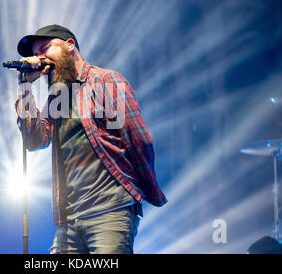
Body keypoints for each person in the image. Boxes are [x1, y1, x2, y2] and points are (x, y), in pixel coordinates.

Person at [14, 24, 167, 254]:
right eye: (36, 54)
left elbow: (138, 140)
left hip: (110, 211)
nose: (40, 58)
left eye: (45, 48)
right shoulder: (58, 98)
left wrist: (142, 190)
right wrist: (25, 85)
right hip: (70, 219)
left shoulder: (106, 82)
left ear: (70, 45)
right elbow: (35, 140)